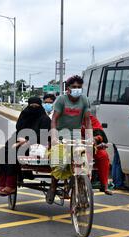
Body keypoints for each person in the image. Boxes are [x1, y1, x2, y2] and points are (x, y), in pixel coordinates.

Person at [0, 97, 51, 196]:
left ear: (40, 106)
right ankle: (2, 184)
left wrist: (26, 141)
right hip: (21, 139)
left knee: (13, 153)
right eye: (32, 106)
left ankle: (10, 185)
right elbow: (19, 129)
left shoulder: (45, 119)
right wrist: (19, 140)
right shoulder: (24, 115)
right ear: (28, 105)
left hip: (35, 146)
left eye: (36, 106)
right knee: (2, 151)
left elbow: (43, 136)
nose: (34, 108)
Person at [47, 75, 93, 204]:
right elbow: (54, 119)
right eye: (74, 87)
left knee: (82, 161)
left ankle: (81, 187)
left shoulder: (84, 100)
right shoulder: (62, 100)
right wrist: (55, 137)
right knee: (59, 161)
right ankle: (53, 186)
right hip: (61, 135)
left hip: (77, 135)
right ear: (68, 89)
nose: (77, 89)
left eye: (79, 87)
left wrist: (90, 137)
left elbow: (87, 120)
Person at [84, 114, 114, 195]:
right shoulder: (70, 117)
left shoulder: (91, 118)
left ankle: (104, 185)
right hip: (73, 144)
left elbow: (101, 135)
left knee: (103, 155)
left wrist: (95, 139)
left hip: (91, 146)